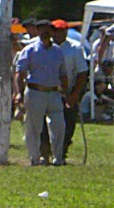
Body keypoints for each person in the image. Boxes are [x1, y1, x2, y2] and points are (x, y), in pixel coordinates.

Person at [15, 20, 69, 166]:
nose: (46, 32)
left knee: (59, 126)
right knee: (33, 127)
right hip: (35, 92)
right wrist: (19, 93)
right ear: (37, 31)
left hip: (54, 93)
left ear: (52, 32)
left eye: (48, 30)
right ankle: (34, 157)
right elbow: (20, 73)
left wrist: (67, 93)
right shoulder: (30, 50)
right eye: (42, 29)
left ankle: (58, 157)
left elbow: (62, 73)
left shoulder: (58, 51)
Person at [39, 19, 88, 160]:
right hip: (46, 91)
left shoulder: (75, 48)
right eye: (56, 31)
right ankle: (44, 151)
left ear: (67, 31)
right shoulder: (43, 47)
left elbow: (82, 73)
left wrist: (75, 94)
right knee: (43, 124)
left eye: (62, 31)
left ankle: (62, 151)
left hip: (66, 92)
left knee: (67, 123)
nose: (59, 34)